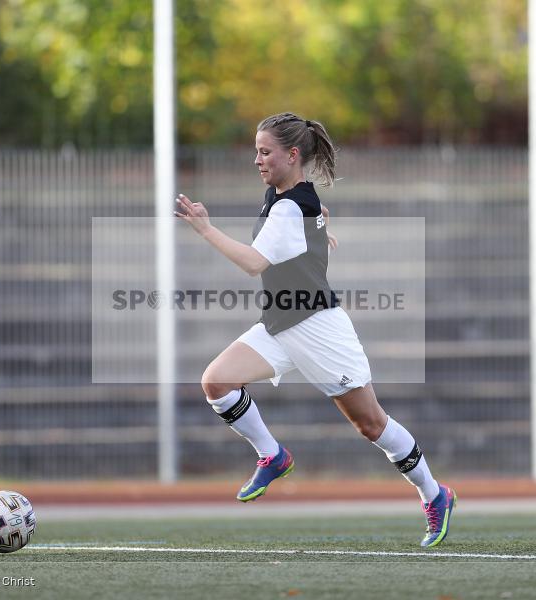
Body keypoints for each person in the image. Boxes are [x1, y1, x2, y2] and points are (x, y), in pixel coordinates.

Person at [174, 112, 456, 547]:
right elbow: (312, 208)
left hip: (318, 329)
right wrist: (321, 228)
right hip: (280, 323)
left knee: (371, 424)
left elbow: (253, 263)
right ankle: (273, 455)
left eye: (265, 152)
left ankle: (435, 494)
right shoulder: (287, 194)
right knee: (217, 381)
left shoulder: (288, 205)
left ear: (292, 155)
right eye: (256, 151)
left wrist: (206, 229)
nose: (257, 160)